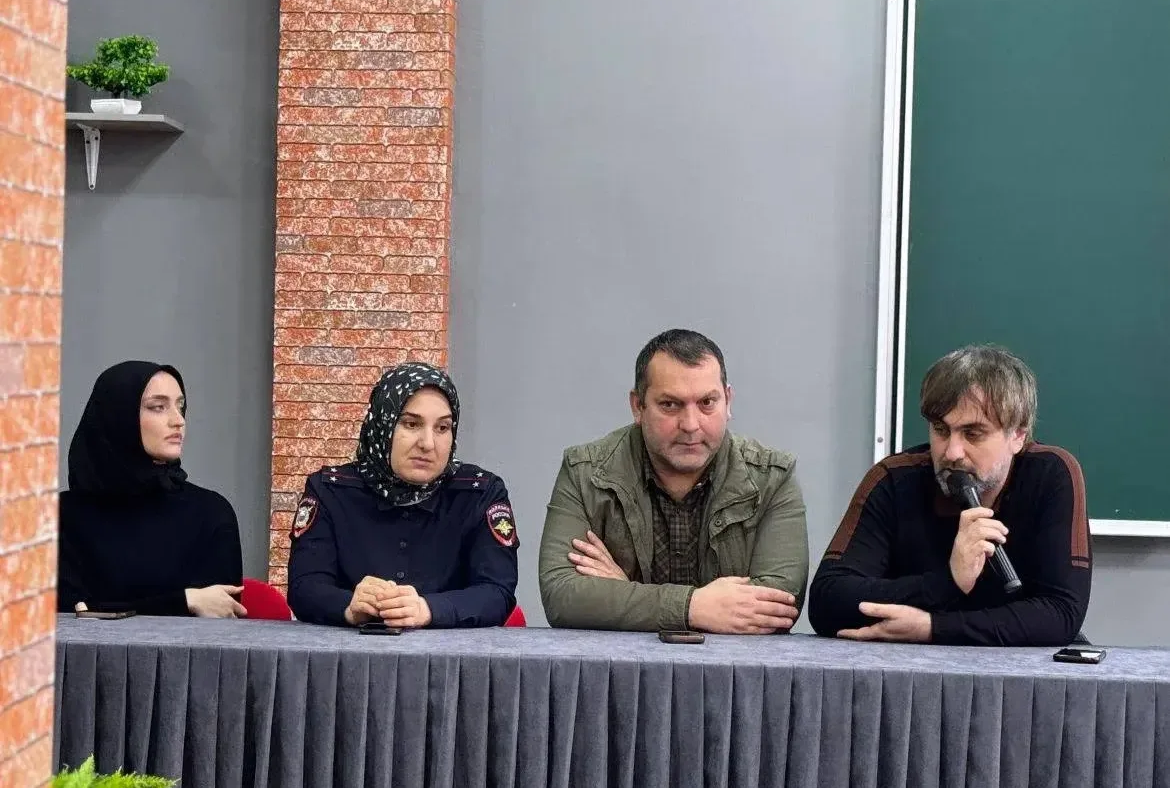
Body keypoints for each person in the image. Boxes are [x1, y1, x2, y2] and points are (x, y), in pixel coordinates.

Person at [808, 344, 1091, 646]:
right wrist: (948, 582)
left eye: (973, 434)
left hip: (1021, 668)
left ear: (1018, 436)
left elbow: (1061, 614)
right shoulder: (894, 479)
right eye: (941, 430)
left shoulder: (1051, 473)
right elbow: (828, 600)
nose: (952, 453)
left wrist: (933, 627)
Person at [538, 329, 809, 633]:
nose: (691, 425)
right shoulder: (586, 473)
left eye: (707, 402)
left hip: (732, 666)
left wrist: (625, 596)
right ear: (638, 406)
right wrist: (693, 607)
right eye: (670, 405)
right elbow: (561, 595)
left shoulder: (772, 478)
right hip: (622, 665)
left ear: (728, 401)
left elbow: (778, 605)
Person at [287, 362, 518, 628]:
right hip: (349, 650)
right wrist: (348, 605)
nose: (427, 443)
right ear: (382, 425)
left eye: (442, 428)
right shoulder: (331, 490)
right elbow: (304, 587)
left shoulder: (479, 493)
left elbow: (497, 592)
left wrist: (428, 609)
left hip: (450, 653)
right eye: (411, 424)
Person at [57, 361, 246, 617]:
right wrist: (183, 602)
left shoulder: (211, 513)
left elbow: (220, 615)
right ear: (118, 416)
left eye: (180, 406)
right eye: (158, 407)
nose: (178, 421)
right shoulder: (61, 517)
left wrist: (108, 609)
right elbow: (68, 618)